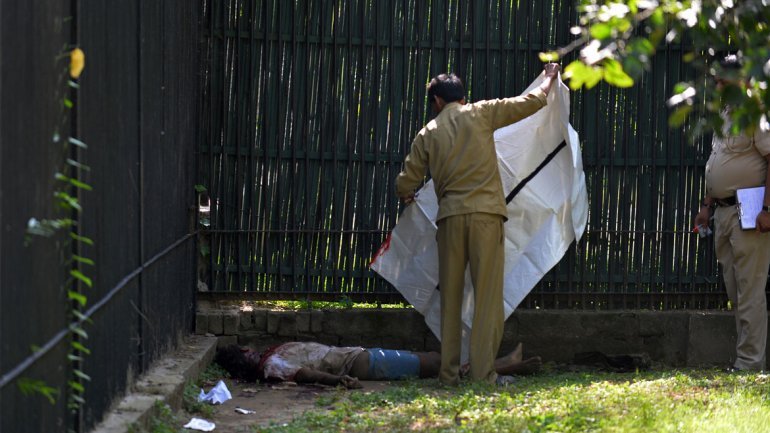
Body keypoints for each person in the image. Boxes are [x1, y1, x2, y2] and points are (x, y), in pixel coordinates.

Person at [394, 64, 561, 385]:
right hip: (487, 217)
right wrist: (549, 77)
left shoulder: (428, 132)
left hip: (451, 220)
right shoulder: (482, 113)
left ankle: (449, 374)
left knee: (451, 298)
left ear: (438, 102)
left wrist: (407, 195)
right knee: (487, 297)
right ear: (462, 98)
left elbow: (406, 181)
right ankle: (483, 375)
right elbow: (531, 101)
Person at [693, 54, 770, 372]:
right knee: (734, 289)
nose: (718, 84)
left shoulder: (756, 111)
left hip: (750, 207)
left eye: (723, 79)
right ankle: (746, 358)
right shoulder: (724, 113)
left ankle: (750, 364)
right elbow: (717, 163)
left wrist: (767, 208)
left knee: (750, 288)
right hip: (723, 211)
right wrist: (706, 206)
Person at [215, 341, 542, 389]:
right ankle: (509, 367)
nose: (249, 348)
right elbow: (305, 374)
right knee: (444, 363)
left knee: (441, 362)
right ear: (244, 358)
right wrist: (337, 381)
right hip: (362, 363)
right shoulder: (271, 365)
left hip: (362, 358)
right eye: (243, 350)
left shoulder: (273, 354)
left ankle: (505, 365)